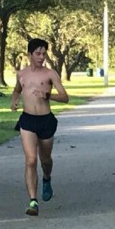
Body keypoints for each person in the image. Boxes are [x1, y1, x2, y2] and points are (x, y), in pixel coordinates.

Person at [11, 38, 69, 216]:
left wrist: (47, 94)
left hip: (46, 121)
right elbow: (17, 90)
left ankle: (46, 178)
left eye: (44, 54)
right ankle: (33, 201)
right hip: (28, 120)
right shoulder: (22, 74)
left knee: (45, 159)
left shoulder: (50, 74)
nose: (41, 57)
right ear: (29, 54)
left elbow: (65, 97)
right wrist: (14, 101)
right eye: (38, 53)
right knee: (30, 160)